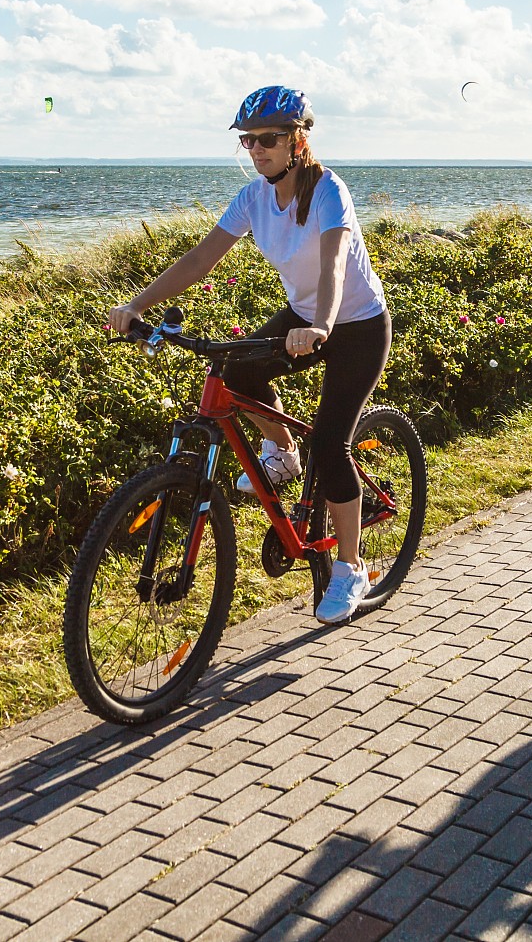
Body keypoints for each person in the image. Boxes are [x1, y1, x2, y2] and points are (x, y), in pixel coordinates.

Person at [109, 86, 391, 623]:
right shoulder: (254, 198)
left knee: (333, 445)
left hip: (354, 325)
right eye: (249, 140)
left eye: (268, 139)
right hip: (304, 318)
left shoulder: (328, 191)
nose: (256, 149)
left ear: (297, 140)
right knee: (238, 370)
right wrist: (136, 304)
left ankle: (351, 567)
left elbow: (333, 262)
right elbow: (201, 258)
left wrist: (321, 325)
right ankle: (283, 452)